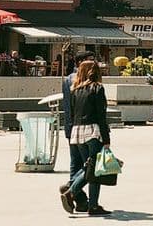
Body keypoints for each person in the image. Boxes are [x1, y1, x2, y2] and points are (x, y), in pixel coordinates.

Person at [60, 60, 112, 216]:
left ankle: (82, 195)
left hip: (77, 132)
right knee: (94, 170)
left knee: (88, 168)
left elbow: (72, 112)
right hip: (93, 131)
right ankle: (73, 192)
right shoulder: (97, 88)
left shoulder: (75, 89)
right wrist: (106, 138)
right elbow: (101, 115)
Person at [59, 51, 94, 214]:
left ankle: (80, 202)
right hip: (86, 127)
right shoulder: (86, 80)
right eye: (90, 61)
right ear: (81, 62)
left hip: (71, 126)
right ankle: (71, 188)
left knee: (76, 164)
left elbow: (67, 106)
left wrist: (68, 126)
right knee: (91, 163)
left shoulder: (67, 79)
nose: (94, 64)